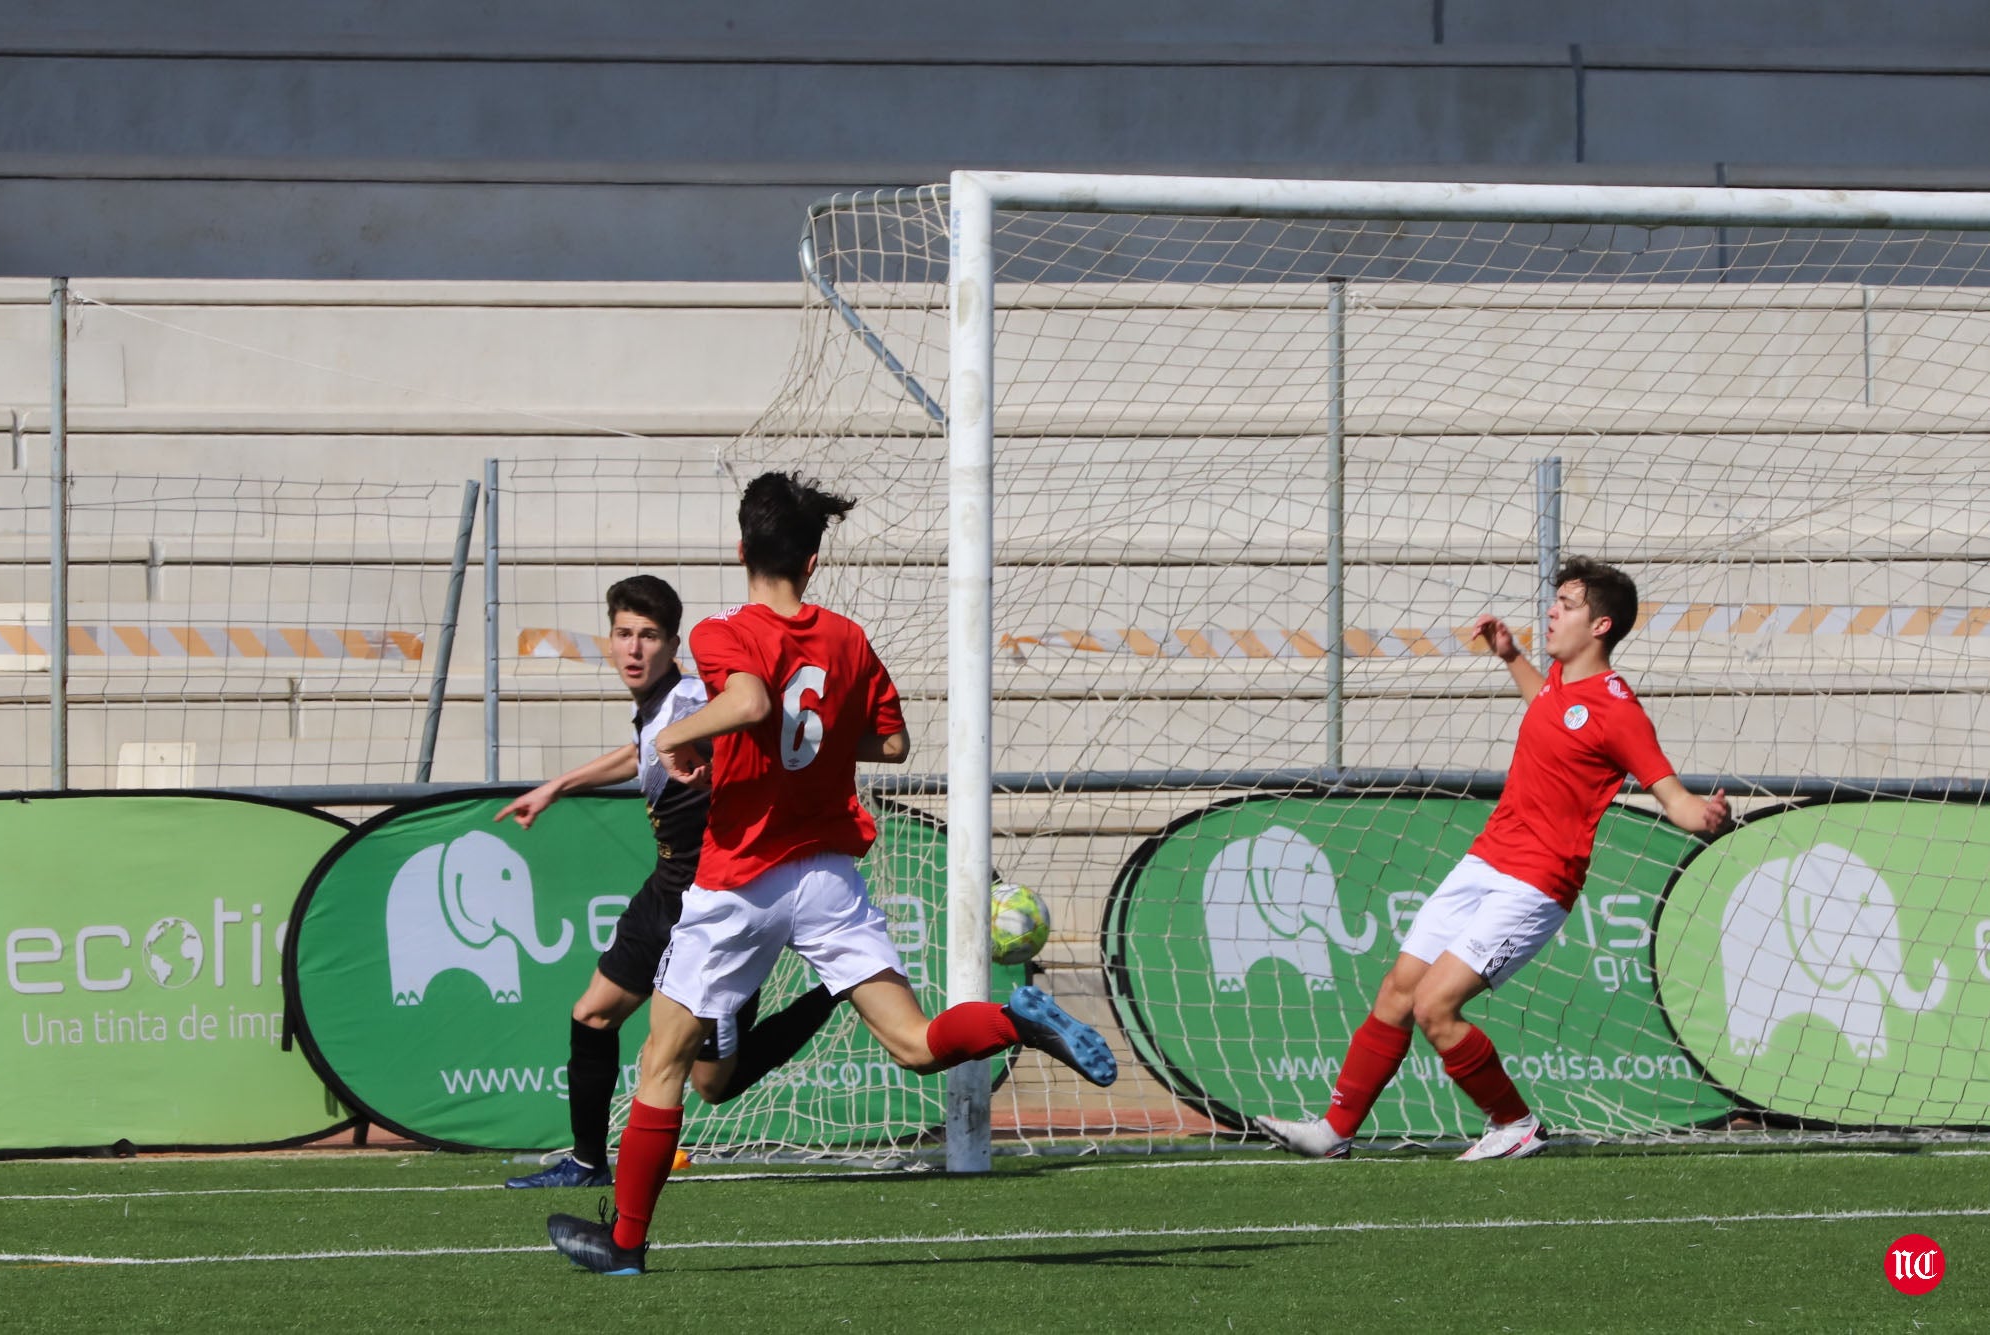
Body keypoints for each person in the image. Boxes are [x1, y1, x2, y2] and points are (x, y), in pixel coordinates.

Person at [546, 472, 1118, 1274]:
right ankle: (1015, 1021)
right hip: (828, 874)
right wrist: (802, 749)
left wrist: (687, 740)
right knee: (916, 1043)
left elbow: (746, 702)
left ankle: (626, 1243)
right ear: (812, 562)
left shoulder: (724, 630)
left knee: (664, 1059)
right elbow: (892, 745)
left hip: (741, 874)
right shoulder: (846, 639)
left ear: (742, 548)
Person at [1256, 557, 1729, 1162]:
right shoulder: (1561, 684)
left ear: (1601, 625)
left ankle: (1515, 1124)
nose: (1552, 611)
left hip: (1536, 883)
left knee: (1434, 1005)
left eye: (1568, 603)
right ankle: (1334, 1131)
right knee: (1399, 991)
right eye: (1555, 599)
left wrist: (1706, 816)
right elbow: (1549, 712)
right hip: (1485, 861)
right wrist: (1510, 657)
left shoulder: (1619, 711)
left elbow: (1674, 799)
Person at [497, 574, 841, 1190]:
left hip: (713, 900)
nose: (634, 649)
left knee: (712, 1083)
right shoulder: (657, 709)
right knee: (593, 1015)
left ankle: (835, 991)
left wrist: (724, 771)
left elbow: (746, 730)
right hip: (666, 884)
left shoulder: (692, 702)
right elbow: (642, 752)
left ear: (673, 643)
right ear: (608, 641)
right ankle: (585, 1162)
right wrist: (556, 786)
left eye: (649, 636)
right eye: (623, 634)